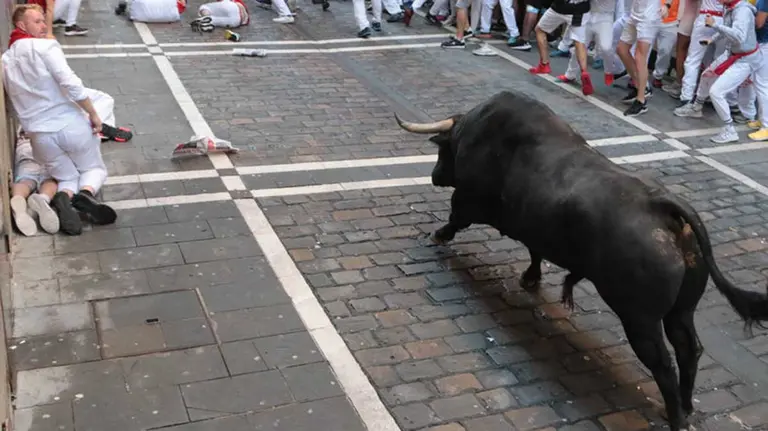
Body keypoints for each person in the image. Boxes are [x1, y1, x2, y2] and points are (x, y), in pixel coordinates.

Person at [3, 4, 117, 236]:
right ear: (21, 25)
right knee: (94, 168)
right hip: (69, 125)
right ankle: (84, 195)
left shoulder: (5, 61)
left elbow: (12, 104)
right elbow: (70, 83)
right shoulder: (45, 47)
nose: (44, 26)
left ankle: (59, 197)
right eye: (37, 22)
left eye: (44, 20)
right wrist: (93, 115)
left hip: (39, 137)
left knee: (67, 176)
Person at [674, 0, 766, 143]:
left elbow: (738, 36)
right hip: (734, 55)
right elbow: (728, 29)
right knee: (706, 76)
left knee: (717, 92)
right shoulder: (731, 7)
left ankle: (730, 129)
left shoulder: (742, 11)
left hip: (744, 60)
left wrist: (715, 25)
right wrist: (712, 39)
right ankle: (697, 106)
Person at [529, 0, 595, 96]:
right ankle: (584, 72)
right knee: (579, 42)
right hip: (580, 9)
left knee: (540, 30)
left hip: (560, 7)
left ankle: (544, 64)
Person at [616, 0, 663, 116]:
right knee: (621, 49)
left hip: (649, 17)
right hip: (635, 13)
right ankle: (641, 87)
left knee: (640, 57)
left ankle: (641, 101)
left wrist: (667, 4)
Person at [11, 131, 60, 236]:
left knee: (25, 180)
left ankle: (18, 197)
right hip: (47, 147)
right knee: (49, 180)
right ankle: (43, 198)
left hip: (25, 144)